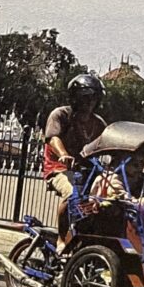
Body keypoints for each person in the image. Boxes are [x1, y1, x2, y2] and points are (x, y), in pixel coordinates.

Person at [43, 73, 106, 251]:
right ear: (75, 98)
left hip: (87, 171)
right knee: (71, 194)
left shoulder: (98, 123)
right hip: (59, 168)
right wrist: (63, 154)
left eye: (93, 98)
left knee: (105, 201)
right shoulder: (61, 114)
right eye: (85, 98)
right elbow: (53, 138)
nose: (89, 103)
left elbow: (109, 144)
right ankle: (61, 238)